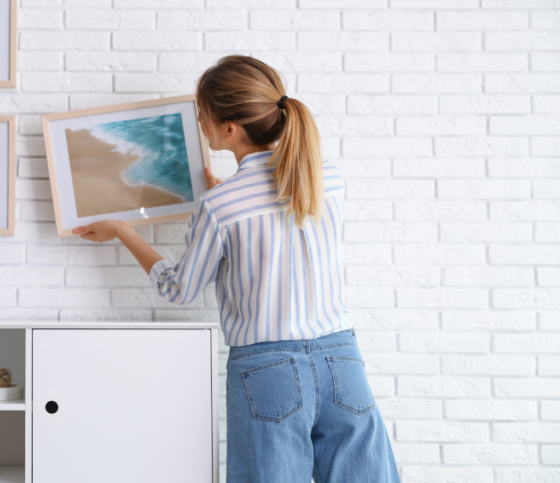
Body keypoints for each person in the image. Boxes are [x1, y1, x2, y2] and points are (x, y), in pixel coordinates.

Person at [73, 55, 400, 483]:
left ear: (229, 130)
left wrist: (122, 230)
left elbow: (179, 289)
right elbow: (276, 219)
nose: (199, 122)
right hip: (342, 359)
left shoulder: (221, 207)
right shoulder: (327, 179)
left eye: (202, 113)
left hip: (268, 371)